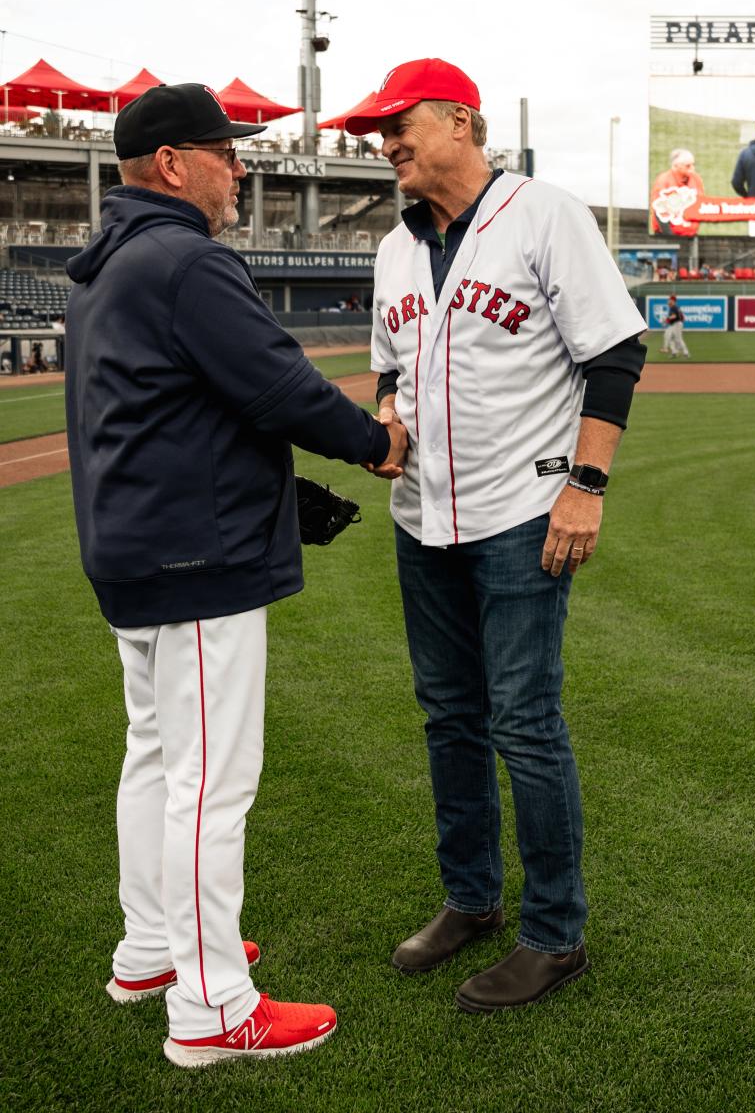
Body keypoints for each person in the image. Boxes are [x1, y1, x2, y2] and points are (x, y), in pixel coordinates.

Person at [64, 83, 407, 1068]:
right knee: (209, 784)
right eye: (224, 150)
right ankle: (212, 1007)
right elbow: (277, 382)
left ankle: (153, 952)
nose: (240, 166)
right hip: (192, 560)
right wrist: (373, 442)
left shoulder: (108, 263)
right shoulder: (182, 258)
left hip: (132, 552)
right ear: (172, 164)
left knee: (157, 763)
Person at [343, 58, 647, 1013]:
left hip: (522, 511)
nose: (383, 141)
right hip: (421, 514)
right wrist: (387, 417)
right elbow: (390, 366)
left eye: (400, 123)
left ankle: (555, 934)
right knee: (448, 718)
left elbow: (613, 353)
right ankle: (471, 900)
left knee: (524, 721)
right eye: (376, 129)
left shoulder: (545, 214)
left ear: (463, 123)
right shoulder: (395, 247)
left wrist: (586, 488)